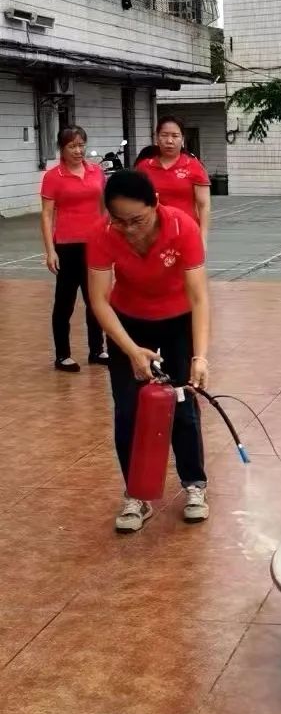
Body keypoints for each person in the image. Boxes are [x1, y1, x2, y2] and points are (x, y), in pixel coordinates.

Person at [87, 170, 211, 533]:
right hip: (128, 321)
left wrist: (199, 356)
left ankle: (194, 485)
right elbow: (98, 299)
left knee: (183, 404)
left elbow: (199, 297)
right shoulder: (102, 234)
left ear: (155, 204)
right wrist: (130, 351)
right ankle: (136, 495)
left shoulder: (182, 227)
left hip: (177, 320)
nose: (129, 229)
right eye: (119, 221)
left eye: (137, 220)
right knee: (128, 409)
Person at [39, 125, 108, 372]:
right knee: (65, 302)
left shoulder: (96, 172)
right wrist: (50, 251)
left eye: (82, 145)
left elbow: (104, 207)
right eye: (72, 146)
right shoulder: (53, 176)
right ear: (62, 148)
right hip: (67, 246)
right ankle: (63, 355)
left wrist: (108, 236)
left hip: (96, 245)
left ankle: (97, 349)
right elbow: (47, 216)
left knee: (96, 300)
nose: (79, 151)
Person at [136, 116, 211, 245]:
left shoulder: (194, 166)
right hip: (152, 236)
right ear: (157, 138)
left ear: (182, 139)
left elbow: (204, 206)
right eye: (164, 135)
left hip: (186, 233)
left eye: (175, 136)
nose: (169, 141)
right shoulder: (144, 167)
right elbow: (135, 202)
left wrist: (202, 239)